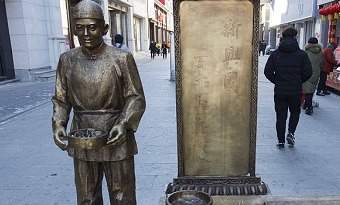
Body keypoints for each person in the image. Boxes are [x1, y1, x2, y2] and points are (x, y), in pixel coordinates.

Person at [51, 0, 146, 204]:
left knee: (122, 195)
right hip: (82, 135)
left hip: (115, 135)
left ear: (104, 28)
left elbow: (135, 97)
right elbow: (61, 99)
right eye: (80, 28)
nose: (86, 33)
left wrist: (123, 123)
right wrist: (59, 123)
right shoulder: (67, 59)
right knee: (87, 196)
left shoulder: (121, 58)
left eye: (92, 27)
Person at [264, 27, 312, 149]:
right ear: (295, 37)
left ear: (282, 38)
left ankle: (280, 141)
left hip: (280, 90)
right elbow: (308, 72)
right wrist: (298, 81)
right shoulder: (302, 54)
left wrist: (277, 81)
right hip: (295, 90)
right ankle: (291, 133)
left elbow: (267, 72)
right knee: (295, 112)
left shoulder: (275, 54)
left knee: (280, 115)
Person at [302, 37, 324, 115]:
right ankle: (306, 105)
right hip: (316, 74)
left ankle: (309, 107)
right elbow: (322, 65)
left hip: (306, 73)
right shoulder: (321, 53)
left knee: (307, 91)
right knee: (311, 91)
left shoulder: (305, 52)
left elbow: (302, 64)